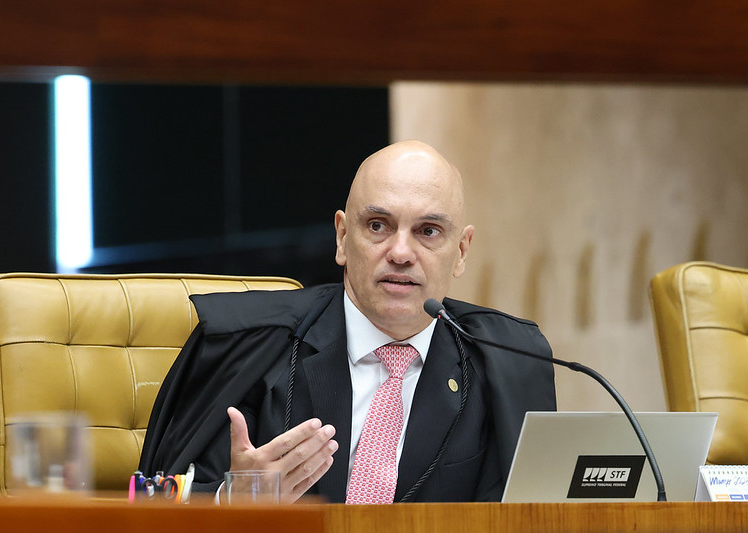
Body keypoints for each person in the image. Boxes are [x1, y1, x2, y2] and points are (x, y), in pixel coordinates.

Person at [139, 140, 556, 503]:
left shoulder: (507, 362)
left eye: (428, 231)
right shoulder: (247, 345)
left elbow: (534, 512)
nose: (400, 253)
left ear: (461, 251)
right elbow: (149, 501)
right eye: (378, 225)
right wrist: (233, 500)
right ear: (342, 237)